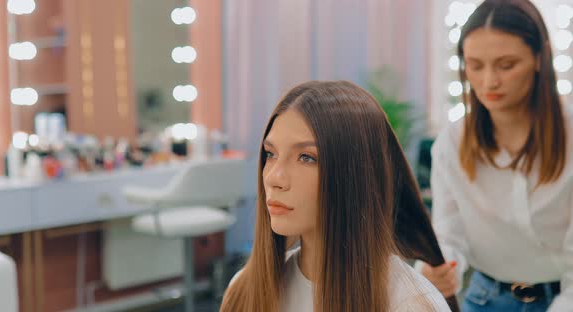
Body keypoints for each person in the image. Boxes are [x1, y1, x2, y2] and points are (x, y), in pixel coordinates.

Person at [220, 81, 451, 312]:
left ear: (355, 175)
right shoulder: (244, 291)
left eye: (306, 157)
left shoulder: (412, 305)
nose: (273, 177)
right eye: (270, 154)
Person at [420, 0, 573, 311]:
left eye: (506, 65)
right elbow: (448, 234)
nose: (489, 82)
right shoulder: (452, 143)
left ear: (539, 58)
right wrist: (437, 270)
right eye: (475, 65)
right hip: (485, 300)